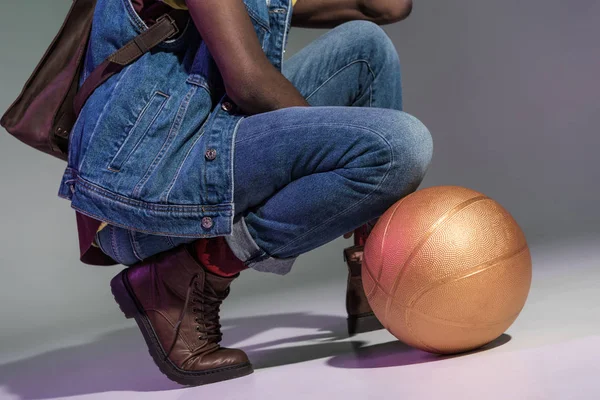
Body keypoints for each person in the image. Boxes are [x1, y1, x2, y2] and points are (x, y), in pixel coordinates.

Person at [57, 0, 433, 386]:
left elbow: (381, 7)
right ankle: (187, 275)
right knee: (399, 146)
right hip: (145, 195)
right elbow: (248, 81)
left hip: (195, 137)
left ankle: (376, 270)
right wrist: (322, 152)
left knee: (366, 46)